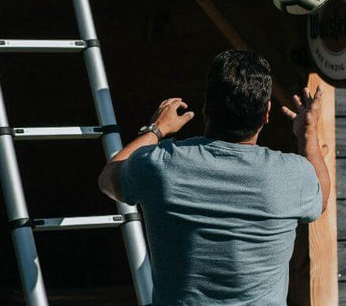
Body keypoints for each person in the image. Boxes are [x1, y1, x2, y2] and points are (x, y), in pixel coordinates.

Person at [98, 50, 331, 306]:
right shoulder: (293, 175)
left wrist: (157, 129)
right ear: (266, 113)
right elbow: (321, 197)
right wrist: (307, 134)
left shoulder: (161, 165)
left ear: (207, 107)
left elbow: (109, 177)